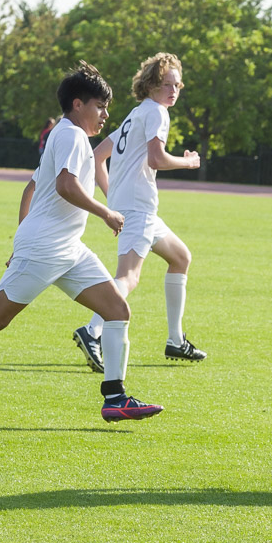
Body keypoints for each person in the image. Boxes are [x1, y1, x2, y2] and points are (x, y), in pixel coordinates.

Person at [0, 62, 163, 422]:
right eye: (100, 106)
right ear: (78, 104)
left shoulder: (71, 137)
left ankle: (115, 397)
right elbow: (66, 187)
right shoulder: (69, 135)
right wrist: (105, 213)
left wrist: (22, 236)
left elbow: (31, 187)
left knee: (117, 310)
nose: (105, 114)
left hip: (67, 249)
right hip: (46, 249)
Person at [72, 52, 205, 372]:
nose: (173, 90)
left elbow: (98, 156)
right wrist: (189, 161)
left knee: (181, 257)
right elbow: (157, 159)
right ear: (150, 85)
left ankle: (175, 340)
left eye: (177, 84)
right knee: (128, 277)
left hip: (137, 208)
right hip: (139, 209)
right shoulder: (157, 113)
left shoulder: (136, 114)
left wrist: (114, 199)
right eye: (166, 84)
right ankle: (92, 331)